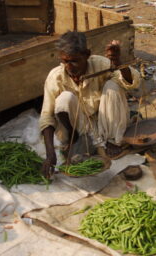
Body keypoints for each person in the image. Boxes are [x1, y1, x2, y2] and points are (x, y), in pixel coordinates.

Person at [39, 31, 140, 178]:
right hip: (78, 127)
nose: (69, 66)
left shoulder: (100, 64)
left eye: (74, 61)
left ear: (87, 55)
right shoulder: (56, 77)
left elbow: (132, 82)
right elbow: (46, 115)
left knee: (113, 86)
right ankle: (75, 140)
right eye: (65, 61)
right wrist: (50, 154)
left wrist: (119, 64)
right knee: (64, 99)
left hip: (102, 122)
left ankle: (112, 141)